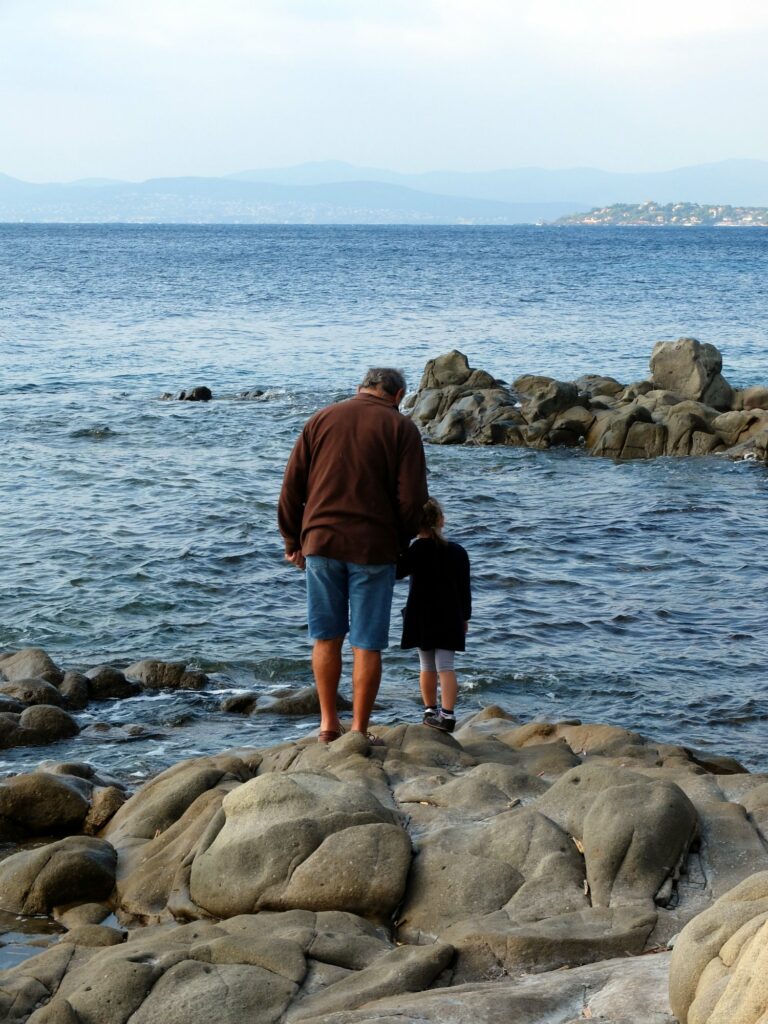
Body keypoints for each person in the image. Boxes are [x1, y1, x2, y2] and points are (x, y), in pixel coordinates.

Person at [278, 367, 428, 743]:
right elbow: (413, 500)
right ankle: (359, 730)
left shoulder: (321, 418)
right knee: (367, 642)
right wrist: (402, 541)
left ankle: (328, 725)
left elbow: (291, 485)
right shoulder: (402, 428)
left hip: (321, 541)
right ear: (397, 395)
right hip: (374, 547)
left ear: (361, 388)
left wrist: (292, 540)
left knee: (326, 638)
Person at [398, 497, 471, 733]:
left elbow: (395, 572)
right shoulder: (458, 551)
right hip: (451, 615)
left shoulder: (415, 550)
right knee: (446, 666)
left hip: (421, 615)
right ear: (441, 521)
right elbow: (464, 589)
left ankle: (430, 710)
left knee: (426, 665)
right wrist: (465, 617)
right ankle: (448, 715)